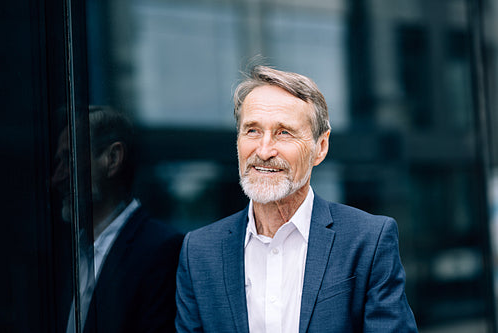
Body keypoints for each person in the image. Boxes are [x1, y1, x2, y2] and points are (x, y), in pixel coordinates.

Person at [175, 66, 417, 332]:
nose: (264, 150)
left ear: (320, 148)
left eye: (284, 132)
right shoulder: (198, 252)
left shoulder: (368, 240)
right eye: (252, 131)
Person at [52, 106, 183, 333]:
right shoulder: (68, 254)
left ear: (112, 159)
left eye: (69, 159)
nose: (57, 177)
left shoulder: (161, 250)